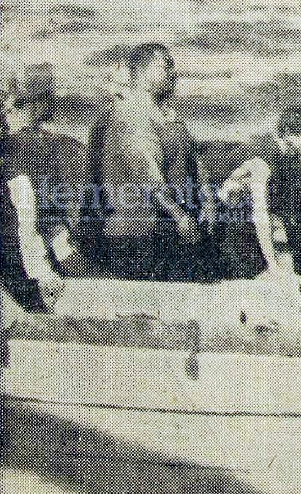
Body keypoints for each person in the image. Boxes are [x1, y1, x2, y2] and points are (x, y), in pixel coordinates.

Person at [89, 44, 210, 280]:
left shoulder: (166, 116)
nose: (174, 73)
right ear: (144, 73)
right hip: (138, 237)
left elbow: (193, 157)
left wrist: (206, 199)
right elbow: (147, 174)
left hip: (164, 231)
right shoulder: (131, 113)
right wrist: (180, 216)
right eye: (167, 66)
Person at [208, 107, 301, 284]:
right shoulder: (263, 162)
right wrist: (274, 267)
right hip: (225, 222)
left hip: (244, 215)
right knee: (260, 271)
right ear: (288, 134)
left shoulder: (290, 157)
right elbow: (261, 217)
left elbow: (294, 211)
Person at [0, 66, 75, 310]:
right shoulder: (27, 152)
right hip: (25, 259)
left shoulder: (19, 148)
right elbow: (26, 220)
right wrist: (42, 270)